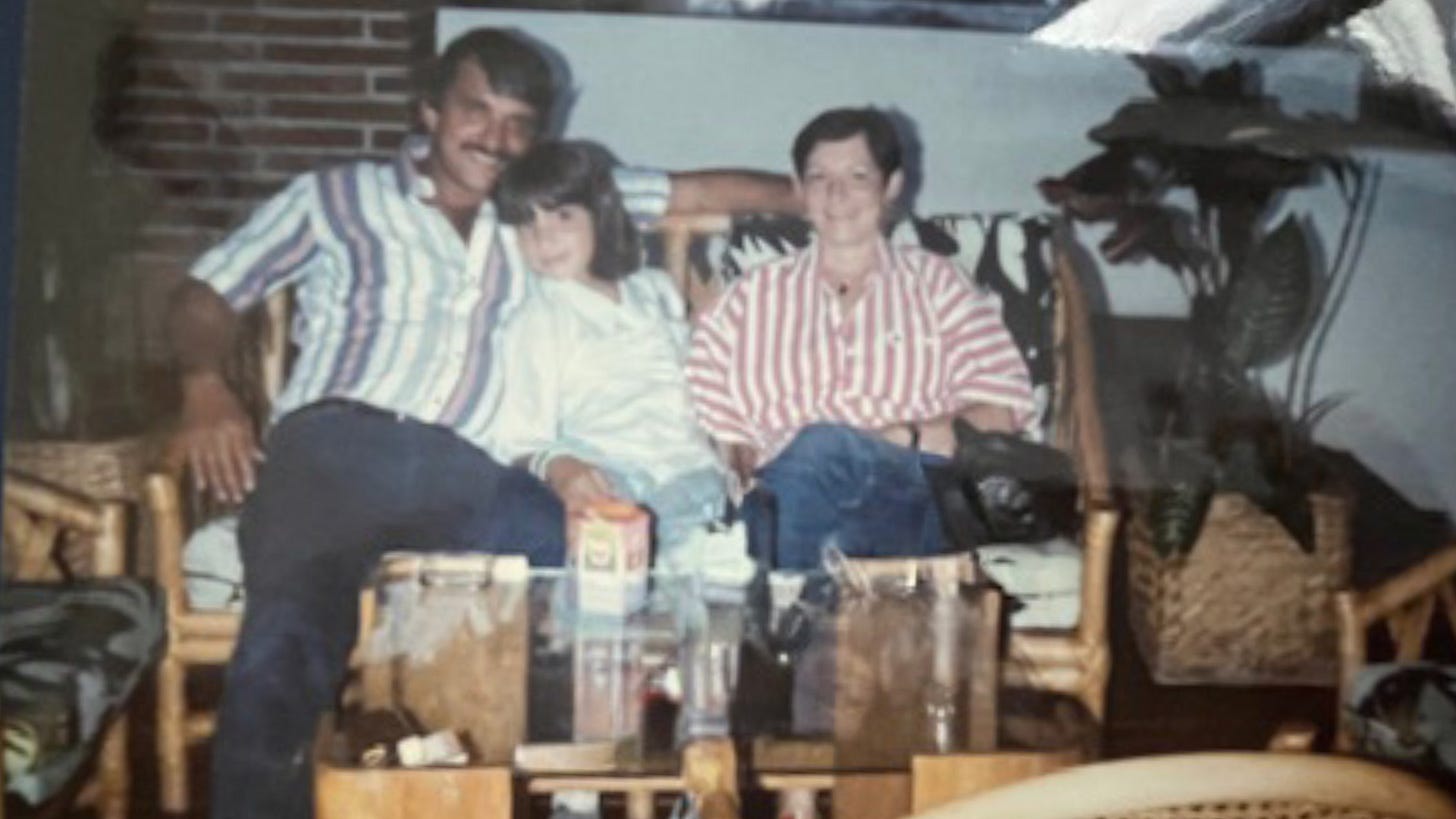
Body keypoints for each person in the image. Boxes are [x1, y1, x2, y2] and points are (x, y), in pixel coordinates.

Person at [166, 28, 792, 819]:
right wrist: (202, 385)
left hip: (466, 468)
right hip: (334, 449)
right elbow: (206, 294)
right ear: (430, 109)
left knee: (599, 561)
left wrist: (818, 192)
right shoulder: (338, 196)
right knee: (286, 643)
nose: (495, 139)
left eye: (518, 122)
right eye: (475, 111)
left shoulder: (539, 206)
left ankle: (611, 790)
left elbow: (695, 193)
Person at [685, 106, 1035, 570]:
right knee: (813, 515)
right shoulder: (751, 296)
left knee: (823, 445)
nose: (836, 194)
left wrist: (904, 435)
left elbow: (1003, 407)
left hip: (910, 493)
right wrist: (734, 450)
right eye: (818, 178)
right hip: (790, 497)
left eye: (857, 175)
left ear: (890, 186)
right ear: (800, 190)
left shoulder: (939, 285)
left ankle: (771, 602)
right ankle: (809, 606)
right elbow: (703, 388)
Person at [492, 140, 727, 568]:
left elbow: (694, 382)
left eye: (563, 216)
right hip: (608, 470)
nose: (544, 239)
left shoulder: (652, 290)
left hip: (688, 471)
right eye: (527, 225)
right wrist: (561, 467)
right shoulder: (539, 314)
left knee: (713, 565)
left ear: (599, 215)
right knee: (608, 568)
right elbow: (519, 438)